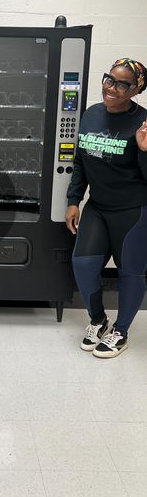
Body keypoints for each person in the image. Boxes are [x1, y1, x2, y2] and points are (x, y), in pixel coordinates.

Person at [65, 58, 147, 358]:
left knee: (131, 273)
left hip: (132, 212)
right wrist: (74, 200)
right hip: (97, 207)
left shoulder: (144, 123)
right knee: (83, 265)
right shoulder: (91, 114)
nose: (111, 88)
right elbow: (80, 163)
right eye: (109, 79)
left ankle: (121, 332)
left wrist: (143, 150)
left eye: (122, 84)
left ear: (136, 88)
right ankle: (98, 320)